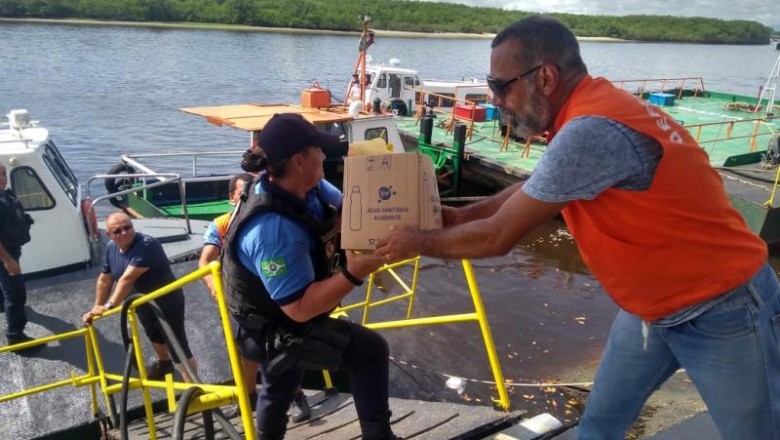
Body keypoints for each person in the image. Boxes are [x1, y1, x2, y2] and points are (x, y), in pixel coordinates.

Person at [376, 16, 780, 440]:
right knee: (599, 426)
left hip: (722, 308)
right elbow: (535, 187)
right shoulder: (591, 108)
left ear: (545, 77)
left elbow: (497, 238)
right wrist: (461, 217)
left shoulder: (591, 129)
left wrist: (416, 242)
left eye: (500, 86)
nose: (496, 100)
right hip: (649, 310)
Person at [223, 113, 397, 439]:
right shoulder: (274, 232)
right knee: (370, 351)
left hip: (277, 315)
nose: (325, 155)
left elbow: (348, 206)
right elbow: (300, 309)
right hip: (274, 328)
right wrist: (355, 271)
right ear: (299, 160)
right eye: (319, 149)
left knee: (280, 383)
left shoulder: (305, 185)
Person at [198, 173, 311, 422]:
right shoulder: (221, 225)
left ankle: (297, 395)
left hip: (275, 294)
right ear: (232, 198)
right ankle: (247, 399)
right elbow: (205, 261)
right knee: (243, 350)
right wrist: (214, 286)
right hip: (241, 300)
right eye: (243, 193)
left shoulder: (271, 218)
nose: (250, 197)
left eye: (253, 191)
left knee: (283, 346)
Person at [82, 212, 198, 382]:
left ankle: (194, 388)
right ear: (109, 235)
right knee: (154, 335)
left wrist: (108, 306)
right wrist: (96, 307)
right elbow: (105, 279)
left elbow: (127, 278)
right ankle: (164, 364)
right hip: (142, 303)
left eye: (127, 227)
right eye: (117, 231)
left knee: (178, 347)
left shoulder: (147, 245)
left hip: (166, 303)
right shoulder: (111, 248)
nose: (124, 232)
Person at [0, 164, 42, 352]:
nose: (2, 178)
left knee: (6, 290)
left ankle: (3, 307)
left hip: (10, 250)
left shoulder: (4, 195)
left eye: (3, 174)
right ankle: (15, 337)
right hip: (5, 255)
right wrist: (8, 261)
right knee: (16, 294)